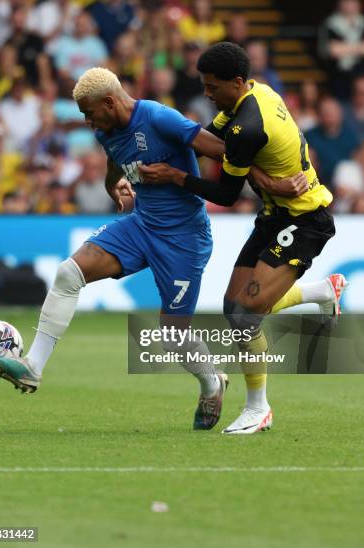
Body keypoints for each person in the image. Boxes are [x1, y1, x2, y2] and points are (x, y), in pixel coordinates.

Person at [0, 66, 306, 432]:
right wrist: (113, 185)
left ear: (109, 101)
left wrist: (271, 184)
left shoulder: (158, 117)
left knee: (172, 334)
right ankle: (33, 367)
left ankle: (211, 381)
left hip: (183, 239)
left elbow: (224, 151)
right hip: (141, 225)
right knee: (68, 273)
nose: (87, 122)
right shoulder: (106, 130)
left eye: (89, 112)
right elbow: (114, 161)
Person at [140, 42, 346, 435]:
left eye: (212, 86)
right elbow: (211, 142)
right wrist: (265, 178)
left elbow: (226, 195)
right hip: (274, 215)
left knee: (245, 317)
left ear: (236, 82)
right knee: (234, 308)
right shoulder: (257, 93)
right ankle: (323, 292)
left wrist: (175, 177)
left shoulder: (247, 126)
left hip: (305, 220)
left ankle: (259, 409)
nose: (206, 93)